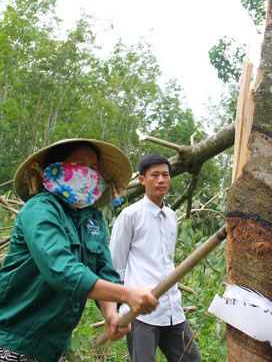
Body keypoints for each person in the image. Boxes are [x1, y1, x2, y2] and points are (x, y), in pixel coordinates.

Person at [0, 139, 159, 362]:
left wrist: (111, 313)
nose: (87, 172)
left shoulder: (92, 219)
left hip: (55, 348)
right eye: (79, 164)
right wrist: (128, 294)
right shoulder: (40, 209)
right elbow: (60, 269)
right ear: (58, 167)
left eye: (93, 168)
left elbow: (104, 271)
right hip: (15, 344)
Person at [109, 154, 201, 362]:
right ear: (142, 180)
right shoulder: (130, 216)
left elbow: (167, 261)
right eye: (155, 175)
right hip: (141, 312)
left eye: (166, 175)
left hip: (172, 309)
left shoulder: (171, 216)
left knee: (191, 358)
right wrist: (122, 306)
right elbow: (116, 266)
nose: (161, 180)